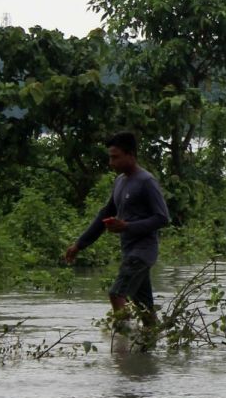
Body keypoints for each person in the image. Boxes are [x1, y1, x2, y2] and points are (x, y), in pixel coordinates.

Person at [66, 132, 171, 328]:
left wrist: (127, 226)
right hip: (129, 251)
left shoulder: (146, 181)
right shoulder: (120, 182)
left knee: (117, 293)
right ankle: (150, 349)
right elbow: (104, 215)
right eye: (110, 157)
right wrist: (79, 245)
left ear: (130, 155)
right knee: (145, 310)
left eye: (115, 157)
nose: (111, 162)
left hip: (143, 253)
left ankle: (121, 345)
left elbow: (162, 218)